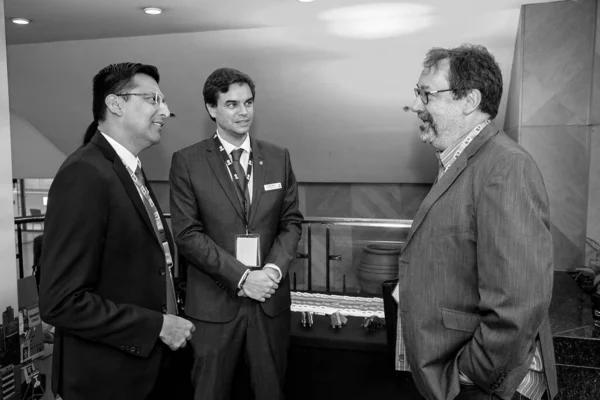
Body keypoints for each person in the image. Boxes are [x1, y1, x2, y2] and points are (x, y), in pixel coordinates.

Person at [395, 45, 557, 400]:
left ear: (469, 100)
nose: (417, 106)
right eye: (417, 94)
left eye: (427, 94)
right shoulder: (458, 161)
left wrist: (470, 376)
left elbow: (518, 301)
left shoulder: (505, 166)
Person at [39, 62, 195, 400]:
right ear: (116, 104)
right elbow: (62, 302)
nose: (165, 111)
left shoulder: (130, 169)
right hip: (109, 379)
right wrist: (157, 326)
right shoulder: (85, 173)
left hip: (152, 368)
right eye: (153, 99)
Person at [169, 67, 303, 400]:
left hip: (269, 302)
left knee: (271, 391)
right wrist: (243, 278)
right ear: (211, 109)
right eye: (231, 104)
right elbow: (187, 234)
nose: (243, 112)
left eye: (248, 102)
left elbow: (291, 221)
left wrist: (271, 270)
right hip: (214, 305)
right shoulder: (187, 162)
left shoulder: (277, 157)